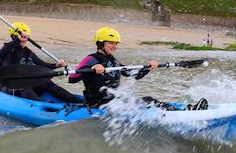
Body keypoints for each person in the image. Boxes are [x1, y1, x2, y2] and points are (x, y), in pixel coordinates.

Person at [69, 27, 208, 111]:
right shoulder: (91, 59)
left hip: (114, 102)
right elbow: (72, 78)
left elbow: (133, 75)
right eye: (111, 43)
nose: (115, 46)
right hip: (98, 105)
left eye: (116, 43)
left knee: (147, 99)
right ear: (100, 43)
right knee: (147, 102)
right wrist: (92, 68)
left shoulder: (114, 61)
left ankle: (186, 109)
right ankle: (185, 111)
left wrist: (148, 68)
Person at [0, 22, 84, 103]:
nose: (24, 40)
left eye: (25, 38)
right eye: (21, 38)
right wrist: (17, 40)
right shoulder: (8, 49)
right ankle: (43, 106)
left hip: (26, 83)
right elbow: (0, 54)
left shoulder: (29, 52)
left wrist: (57, 65)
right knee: (23, 87)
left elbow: (42, 65)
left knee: (47, 83)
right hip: (10, 86)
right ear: (14, 37)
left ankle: (75, 100)